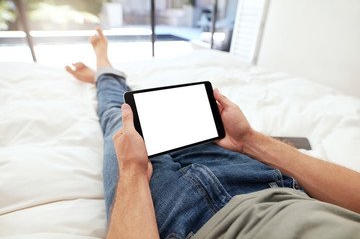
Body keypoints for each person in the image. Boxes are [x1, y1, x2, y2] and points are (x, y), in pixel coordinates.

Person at [66, 28, 360, 239]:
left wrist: (132, 170)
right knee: (154, 116)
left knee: (117, 116)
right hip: (270, 184)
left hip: (179, 217)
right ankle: (110, 76)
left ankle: (104, 69)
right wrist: (250, 141)